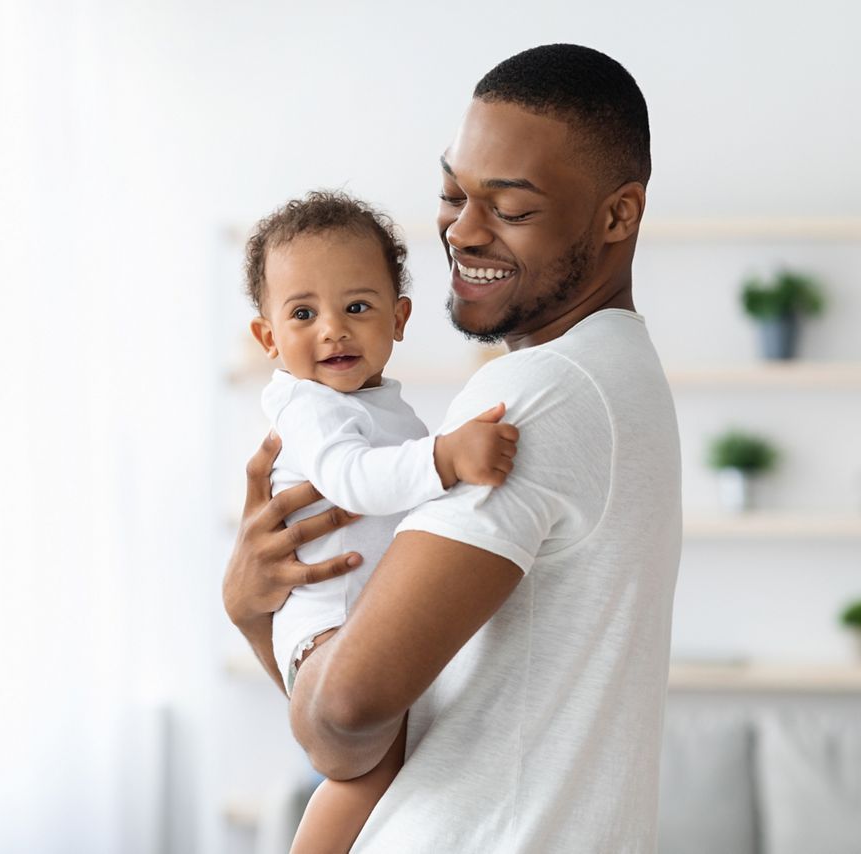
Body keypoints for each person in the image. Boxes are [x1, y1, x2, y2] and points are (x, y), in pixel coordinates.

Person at [224, 44, 681, 852]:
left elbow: (346, 714)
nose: (462, 230)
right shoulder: (614, 375)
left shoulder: (543, 392)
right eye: (451, 192)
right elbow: (366, 723)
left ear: (618, 215)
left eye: (509, 207)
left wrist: (251, 616)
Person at [242, 190, 519, 853]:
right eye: (303, 313)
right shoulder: (307, 405)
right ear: (269, 336)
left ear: (398, 319)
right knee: (364, 778)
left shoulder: (382, 409)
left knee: (393, 778)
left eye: (357, 308)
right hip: (327, 638)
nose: (332, 328)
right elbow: (351, 480)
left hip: (352, 632)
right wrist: (447, 457)